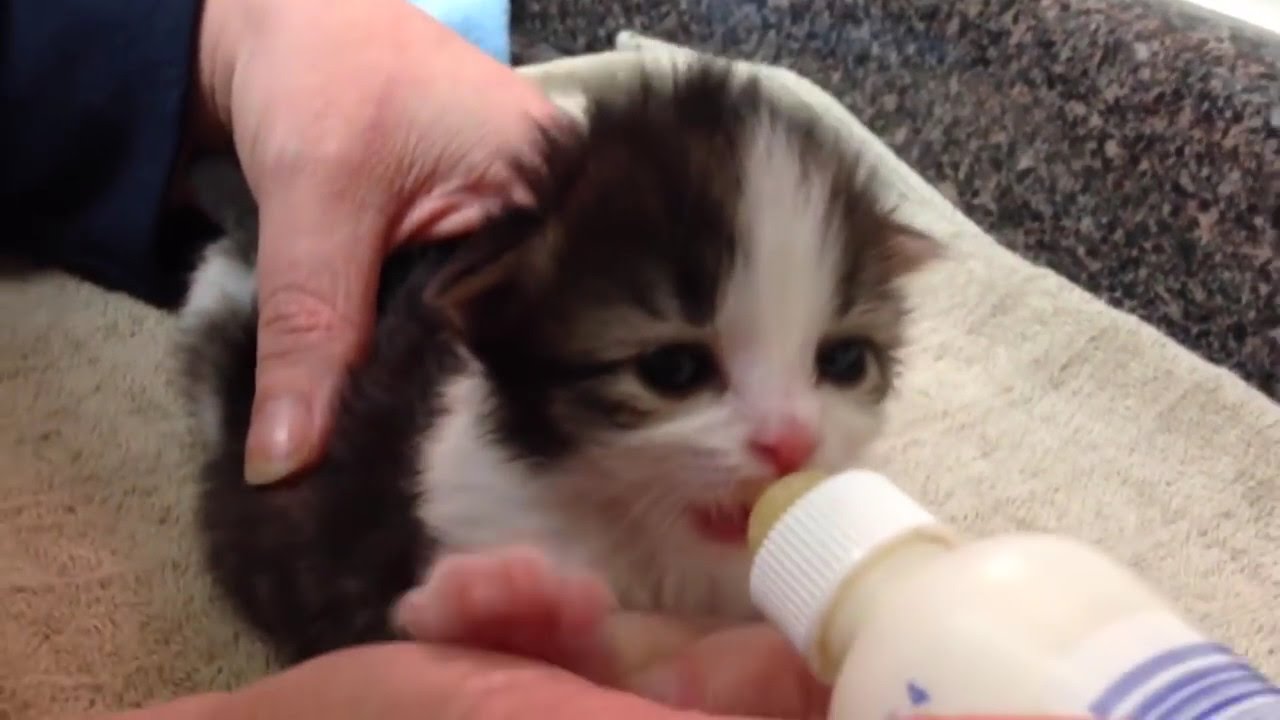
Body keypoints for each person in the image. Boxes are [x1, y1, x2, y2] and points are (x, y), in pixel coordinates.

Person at [2, 0, 826, 717]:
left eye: (840, 360)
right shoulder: (474, 503)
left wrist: (222, 35)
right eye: (676, 372)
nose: (796, 440)